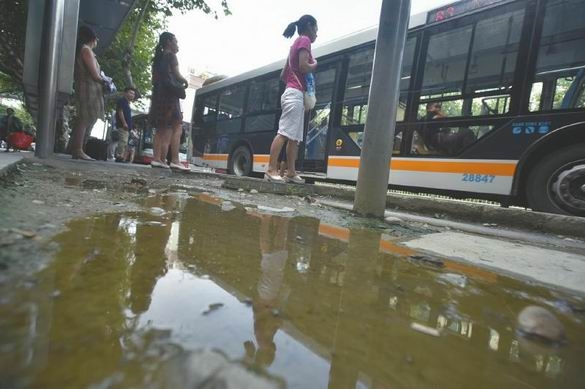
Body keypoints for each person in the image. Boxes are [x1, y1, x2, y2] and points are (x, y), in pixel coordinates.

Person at [264, 15, 318, 184]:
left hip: (293, 92)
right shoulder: (304, 40)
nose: (317, 33)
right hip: (295, 94)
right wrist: (314, 65)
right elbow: (303, 66)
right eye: (316, 29)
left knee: (294, 137)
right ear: (309, 26)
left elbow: (283, 75)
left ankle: (291, 172)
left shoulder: (294, 45)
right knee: (285, 133)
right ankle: (271, 170)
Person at [149, 32, 190, 171]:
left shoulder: (157, 58)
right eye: (176, 41)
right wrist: (184, 81)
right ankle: (175, 160)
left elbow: (154, 79)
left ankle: (157, 159)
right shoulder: (171, 56)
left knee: (161, 129)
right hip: (171, 95)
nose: (177, 45)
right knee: (177, 126)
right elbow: (177, 75)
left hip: (159, 95)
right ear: (168, 42)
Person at [70, 26, 105, 161]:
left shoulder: (83, 50)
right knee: (84, 119)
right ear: (93, 38)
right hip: (88, 88)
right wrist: (106, 81)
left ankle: (78, 149)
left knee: (85, 119)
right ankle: (78, 149)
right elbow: (95, 75)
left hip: (86, 87)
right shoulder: (86, 50)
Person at [114, 87, 136, 162]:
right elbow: (120, 112)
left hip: (127, 126)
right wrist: (124, 123)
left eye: (133, 94)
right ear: (125, 93)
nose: (132, 95)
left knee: (125, 141)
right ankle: (119, 156)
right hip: (123, 125)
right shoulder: (122, 101)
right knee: (123, 141)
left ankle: (121, 156)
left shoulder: (127, 103)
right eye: (130, 93)